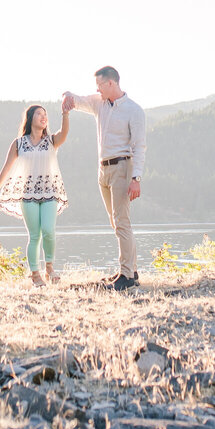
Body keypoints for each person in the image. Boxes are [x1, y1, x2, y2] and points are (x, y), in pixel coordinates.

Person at [61, 65, 146, 290]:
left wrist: (136, 178)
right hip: (103, 170)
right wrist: (67, 97)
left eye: (99, 85)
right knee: (115, 222)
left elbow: (139, 147)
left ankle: (126, 276)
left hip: (122, 167)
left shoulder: (133, 110)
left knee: (121, 221)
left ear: (111, 83)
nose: (97, 89)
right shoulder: (99, 103)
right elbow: (78, 100)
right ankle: (132, 270)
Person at [0, 102, 71, 286]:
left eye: (45, 114)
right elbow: (7, 167)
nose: (43, 117)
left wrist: (65, 114)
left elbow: (64, 134)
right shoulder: (19, 143)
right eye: (39, 114)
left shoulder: (51, 141)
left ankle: (49, 266)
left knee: (49, 231)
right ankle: (35, 274)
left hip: (50, 192)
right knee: (35, 235)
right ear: (30, 118)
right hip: (27, 196)